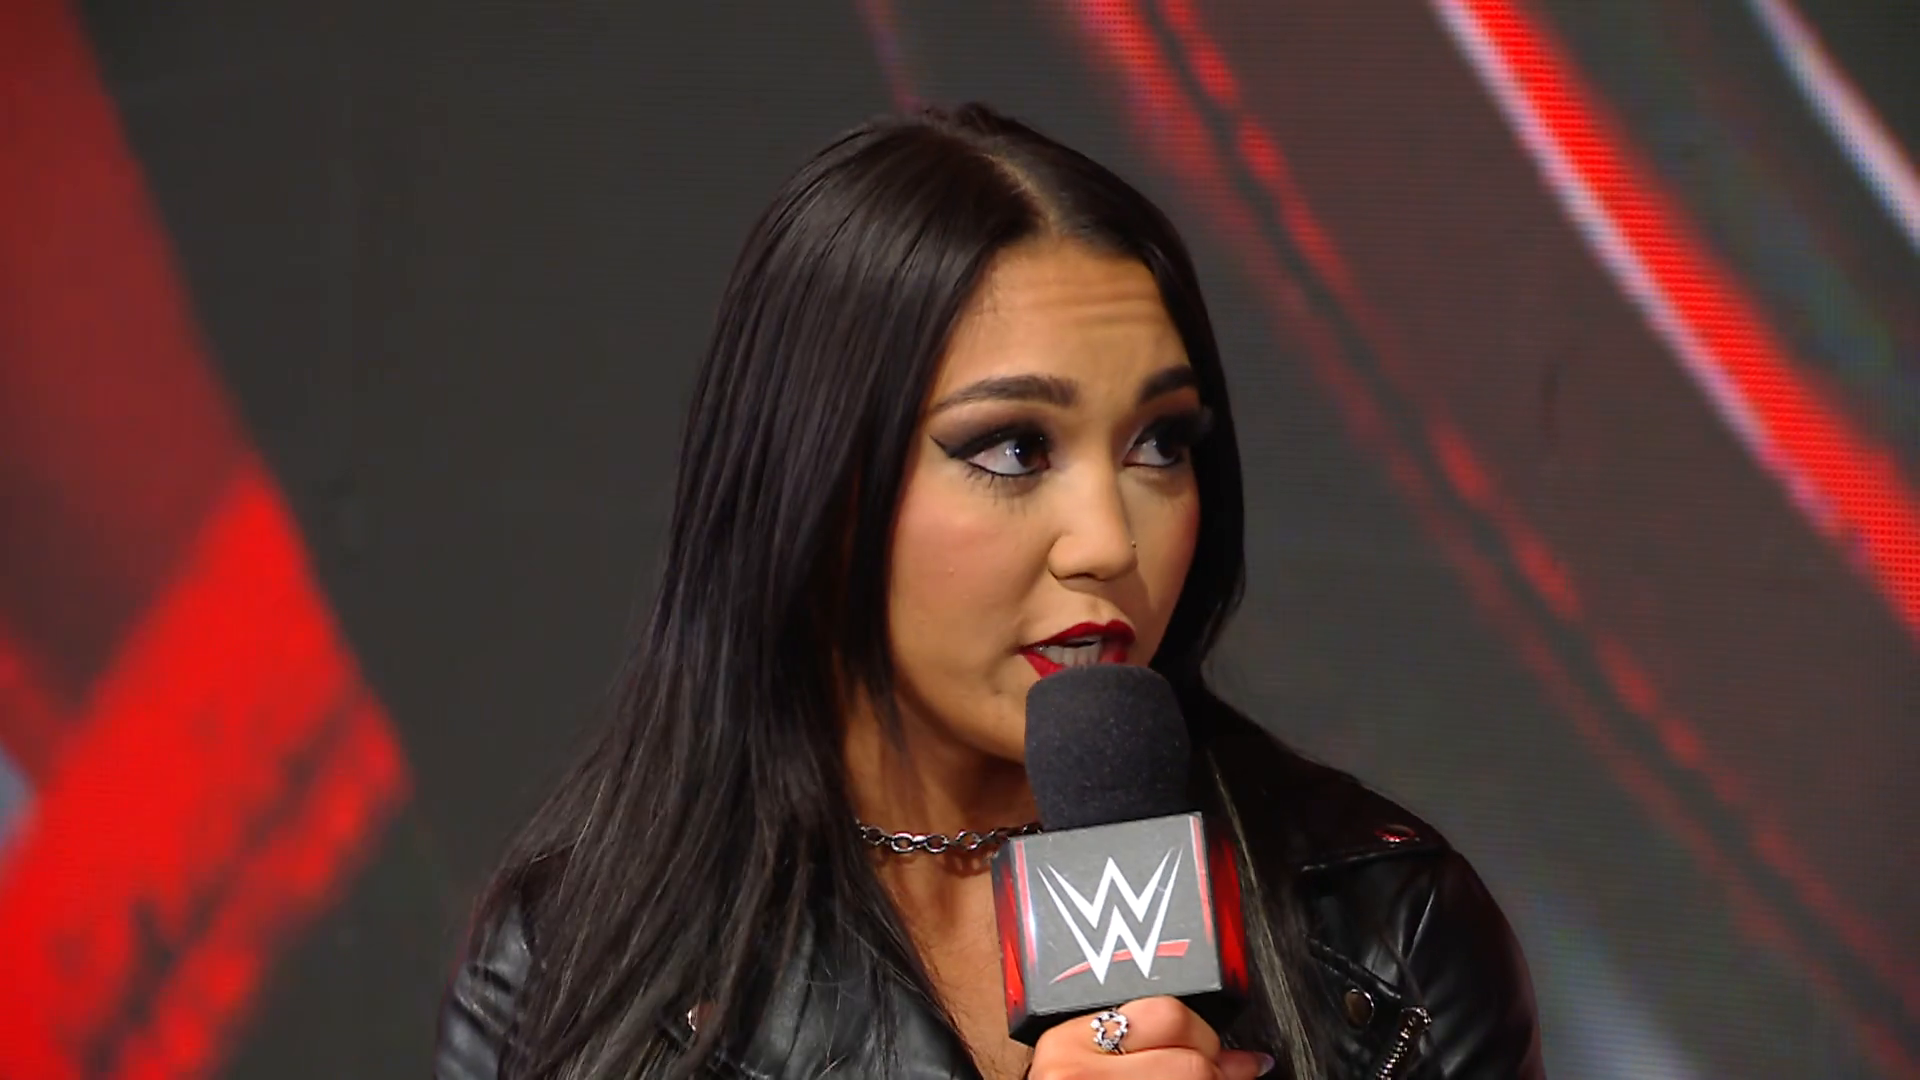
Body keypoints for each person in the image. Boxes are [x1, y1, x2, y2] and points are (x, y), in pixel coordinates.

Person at [432, 103, 1544, 1080]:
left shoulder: (1386, 929)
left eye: (1159, 444)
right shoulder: (571, 963)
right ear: (815, 485)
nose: (1106, 542)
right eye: (1014, 449)